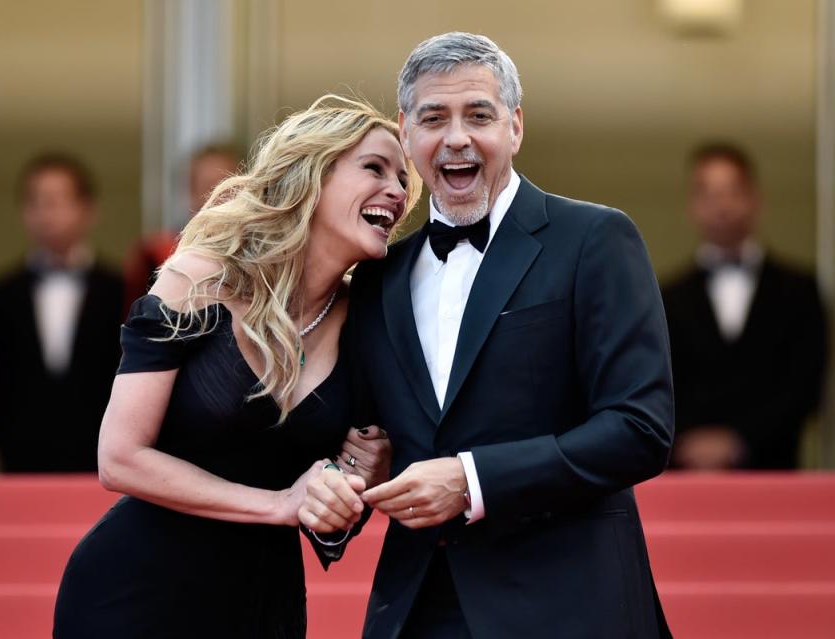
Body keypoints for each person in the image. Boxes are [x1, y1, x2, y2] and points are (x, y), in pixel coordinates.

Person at [334, 32, 674, 638]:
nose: (457, 137)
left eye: (479, 115)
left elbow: (639, 427)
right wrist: (350, 475)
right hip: (417, 610)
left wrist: (470, 479)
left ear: (514, 127)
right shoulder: (375, 279)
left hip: (569, 607)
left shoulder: (595, 239)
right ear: (406, 135)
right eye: (434, 118)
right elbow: (367, 435)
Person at [53, 96, 420, 638]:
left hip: (261, 606)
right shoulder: (200, 278)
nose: (398, 191)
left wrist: (352, 487)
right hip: (133, 594)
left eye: (402, 179)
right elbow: (119, 458)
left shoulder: (370, 324)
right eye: (374, 168)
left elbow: (328, 529)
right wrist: (280, 504)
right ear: (312, 177)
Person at [662, 143, 827, 469]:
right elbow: (655, 383)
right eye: (708, 194)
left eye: (732, 191)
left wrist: (741, 440)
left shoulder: (800, 291)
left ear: (755, 199)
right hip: (686, 474)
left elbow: (806, 384)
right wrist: (688, 440)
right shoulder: (665, 295)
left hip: (774, 471)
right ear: (692, 206)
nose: (721, 205)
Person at [0, 153, 124, 472]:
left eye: (57, 201)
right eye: (36, 202)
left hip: (105, 466)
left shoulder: (123, 290)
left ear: (88, 210)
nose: (46, 214)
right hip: (22, 467)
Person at [122, 143, 241, 312]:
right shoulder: (156, 254)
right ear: (190, 193)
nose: (222, 197)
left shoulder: (262, 257)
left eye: (230, 188)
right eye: (210, 188)